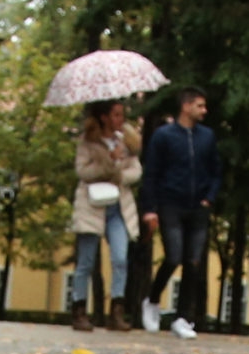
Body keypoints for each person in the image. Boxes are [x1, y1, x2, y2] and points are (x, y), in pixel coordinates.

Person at [138, 87, 219, 338]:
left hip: (198, 206)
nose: (204, 111)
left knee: (193, 263)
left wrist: (209, 198)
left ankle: (183, 317)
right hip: (170, 203)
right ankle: (152, 300)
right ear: (186, 106)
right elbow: (151, 173)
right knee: (173, 256)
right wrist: (150, 209)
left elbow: (216, 170)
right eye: (200, 106)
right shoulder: (164, 136)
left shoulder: (207, 136)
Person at [69, 100, 138, 331]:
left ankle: (116, 311)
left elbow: (135, 170)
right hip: (92, 205)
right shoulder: (87, 142)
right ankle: (79, 310)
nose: (120, 119)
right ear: (104, 117)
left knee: (120, 259)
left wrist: (118, 172)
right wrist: (109, 161)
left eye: (122, 114)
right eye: (116, 114)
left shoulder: (126, 142)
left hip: (118, 207)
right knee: (86, 262)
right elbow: (82, 171)